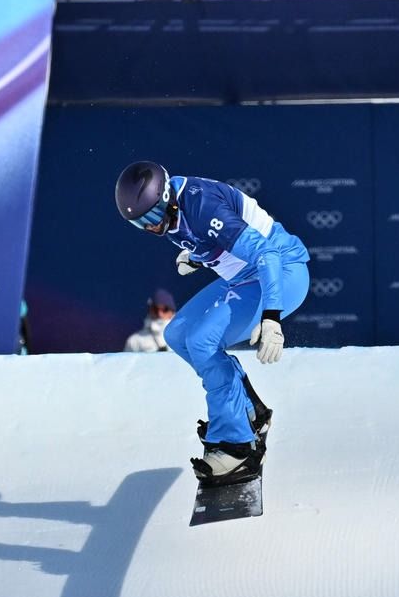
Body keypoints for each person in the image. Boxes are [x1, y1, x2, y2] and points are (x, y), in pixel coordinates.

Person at [115, 161, 310, 486]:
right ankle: (247, 410)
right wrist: (197, 257)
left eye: (152, 217)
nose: (151, 227)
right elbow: (210, 238)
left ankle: (238, 447)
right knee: (177, 334)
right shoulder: (170, 211)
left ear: (167, 198)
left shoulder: (202, 205)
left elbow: (267, 255)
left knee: (202, 340)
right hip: (245, 276)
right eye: (140, 223)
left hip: (281, 273)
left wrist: (271, 317)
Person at [124, 288, 178, 352]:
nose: (160, 314)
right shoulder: (134, 341)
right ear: (150, 310)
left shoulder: (182, 337)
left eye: (165, 309)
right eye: (155, 309)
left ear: (172, 311)